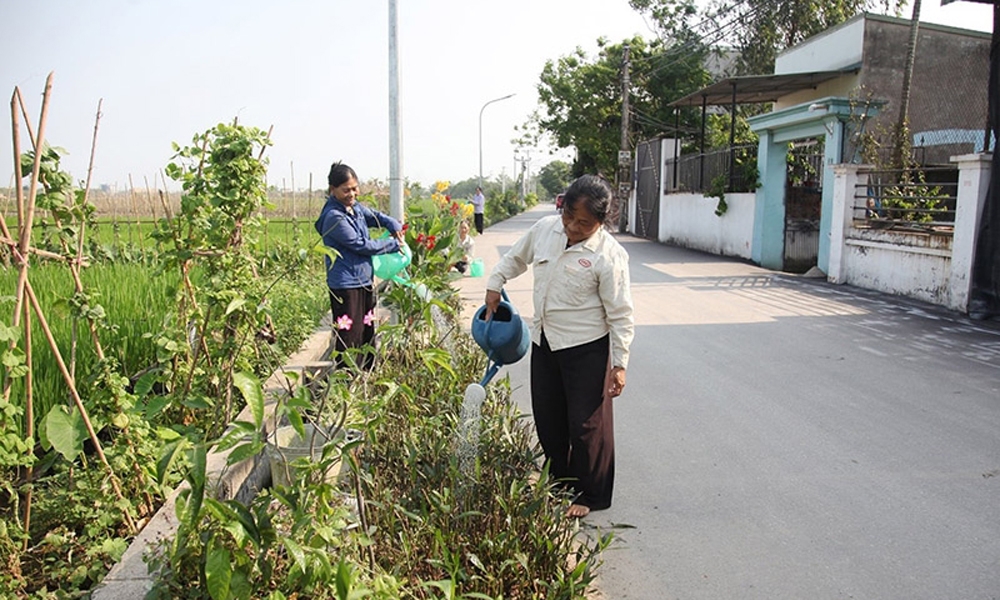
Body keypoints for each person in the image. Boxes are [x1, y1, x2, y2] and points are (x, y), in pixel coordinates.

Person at [482, 174, 634, 518]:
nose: (573, 228)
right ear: (561, 207)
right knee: (549, 418)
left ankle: (590, 493)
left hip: (586, 347)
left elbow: (621, 313)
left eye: (584, 223)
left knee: (586, 425)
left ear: (601, 221)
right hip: (545, 341)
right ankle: (560, 483)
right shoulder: (546, 229)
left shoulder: (609, 255)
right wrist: (495, 282)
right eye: (569, 217)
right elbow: (515, 258)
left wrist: (620, 363)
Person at [315, 162, 405, 370]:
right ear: (332, 190)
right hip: (345, 283)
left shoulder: (354, 208)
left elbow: (375, 216)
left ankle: (367, 373)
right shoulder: (334, 218)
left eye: (355, 188)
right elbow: (359, 244)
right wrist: (392, 244)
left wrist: (392, 224)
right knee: (349, 334)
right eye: (346, 190)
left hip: (363, 279)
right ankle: (345, 380)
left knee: (366, 328)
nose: (352, 194)